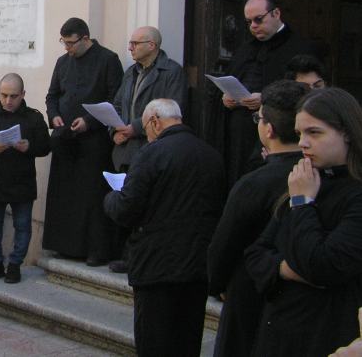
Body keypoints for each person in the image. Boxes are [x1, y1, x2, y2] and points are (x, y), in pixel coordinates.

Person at [245, 88, 362, 357]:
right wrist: (288, 269)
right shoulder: (305, 181)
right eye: (299, 134)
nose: (303, 143)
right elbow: (256, 255)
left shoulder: (348, 193)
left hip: (327, 336)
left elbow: (325, 265)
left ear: (346, 131)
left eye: (314, 133)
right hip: (280, 334)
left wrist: (302, 204)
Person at [103, 99, 225, 357]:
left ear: (155, 122)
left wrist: (111, 197)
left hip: (156, 266)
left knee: (155, 342)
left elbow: (126, 208)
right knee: (187, 339)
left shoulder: (151, 154)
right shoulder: (211, 155)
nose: (147, 134)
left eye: (146, 128)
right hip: (197, 266)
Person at [207, 80, 309, 357]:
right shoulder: (318, 173)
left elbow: (224, 243)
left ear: (269, 128)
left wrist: (218, 283)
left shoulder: (254, 183)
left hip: (251, 291)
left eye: (259, 117)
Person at [44, 17, 123, 265]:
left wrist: (89, 121)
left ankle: (96, 250)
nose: (67, 48)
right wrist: (54, 115)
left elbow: (114, 99)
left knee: (91, 196)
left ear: (85, 39)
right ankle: (64, 245)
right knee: (64, 194)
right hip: (65, 138)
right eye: (64, 43)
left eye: (71, 43)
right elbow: (52, 95)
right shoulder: (62, 62)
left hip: (94, 141)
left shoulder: (108, 60)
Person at [109, 25, 187, 272]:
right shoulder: (131, 72)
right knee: (129, 200)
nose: (130, 48)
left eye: (135, 43)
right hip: (127, 147)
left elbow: (172, 109)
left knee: (150, 205)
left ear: (151, 45)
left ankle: (142, 256)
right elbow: (118, 102)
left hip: (152, 146)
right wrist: (115, 130)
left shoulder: (172, 72)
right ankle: (128, 254)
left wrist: (133, 127)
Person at [220, 0, 316, 188]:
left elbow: (304, 89)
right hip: (239, 131)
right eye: (249, 22)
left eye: (258, 19)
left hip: (277, 129)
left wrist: (265, 98)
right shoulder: (245, 48)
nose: (253, 26)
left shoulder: (300, 47)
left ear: (276, 13)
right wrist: (225, 98)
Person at [0, 73, 51, 284]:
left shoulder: (33, 117)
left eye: (13, 96)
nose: (8, 101)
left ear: (23, 94)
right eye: (4, 95)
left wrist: (29, 147)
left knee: (22, 225)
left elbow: (46, 146)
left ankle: (15, 264)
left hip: (21, 181)